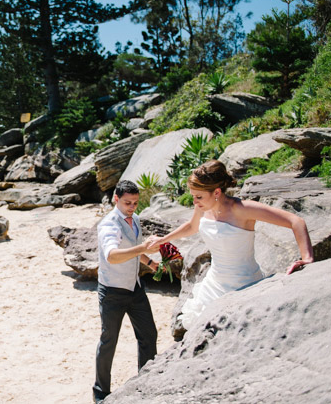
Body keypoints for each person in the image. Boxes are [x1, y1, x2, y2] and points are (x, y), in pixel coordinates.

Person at [146, 160, 314, 330]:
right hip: (213, 285)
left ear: (217, 192)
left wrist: (307, 259)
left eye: (199, 196)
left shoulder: (242, 209)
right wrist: (163, 239)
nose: (195, 202)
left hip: (245, 285)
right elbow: (192, 226)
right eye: (193, 196)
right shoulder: (203, 206)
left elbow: (296, 221)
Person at [93, 179, 160, 403]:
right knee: (109, 340)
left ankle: (146, 381)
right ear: (116, 199)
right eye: (127, 203)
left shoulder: (136, 219)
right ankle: (100, 392)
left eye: (135, 203)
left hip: (135, 288)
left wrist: (149, 261)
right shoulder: (108, 225)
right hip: (112, 291)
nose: (132, 207)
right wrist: (143, 248)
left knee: (149, 335)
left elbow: (132, 248)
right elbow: (112, 255)